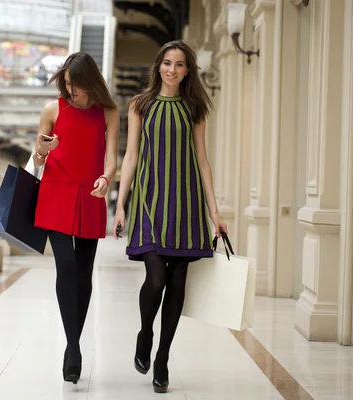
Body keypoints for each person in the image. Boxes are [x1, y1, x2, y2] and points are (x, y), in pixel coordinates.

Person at [112, 40, 228, 394]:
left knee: (178, 285)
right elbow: (131, 156)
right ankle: (146, 333)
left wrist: (215, 212)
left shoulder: (194, 108)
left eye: (179, 65)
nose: (171, 70)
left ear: (187, 71)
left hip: (187, 204)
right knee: (157, 279)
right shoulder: (140, 105)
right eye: (166, 63)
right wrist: (120, 205)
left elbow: (203, 161)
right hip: (149, 201)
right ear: (157, 66)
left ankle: (162, 358)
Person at [33, 52, 119, 384]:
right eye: (67, 85)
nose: (72, 92)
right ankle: (73, 347)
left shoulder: (108, 112)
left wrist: (105, 179)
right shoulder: (52, 110)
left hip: (90, 194)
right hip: (56, 193)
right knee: (66, 266)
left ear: (90, 82)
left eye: (77, 86)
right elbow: (37, 161)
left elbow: (110, 159)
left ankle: (73, 343)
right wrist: (44, 148)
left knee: (83, 273)